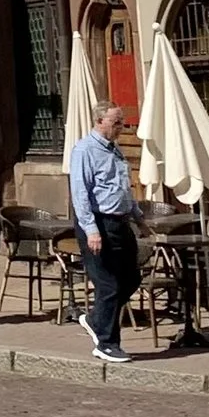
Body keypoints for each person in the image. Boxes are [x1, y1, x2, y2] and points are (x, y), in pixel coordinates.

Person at [68, 96, 140, 365]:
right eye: (116, 122)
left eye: (122, 121)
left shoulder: (114, 149)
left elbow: (121, 187)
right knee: (108, 285)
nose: (121, 126)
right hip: (98, 223)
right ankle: (107, 344)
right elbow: (80, 193)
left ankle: (96, 319)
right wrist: (91, 230)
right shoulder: (84, 150)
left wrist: (137, 216)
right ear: (100, 122)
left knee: (131, 278)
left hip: (120, 221)